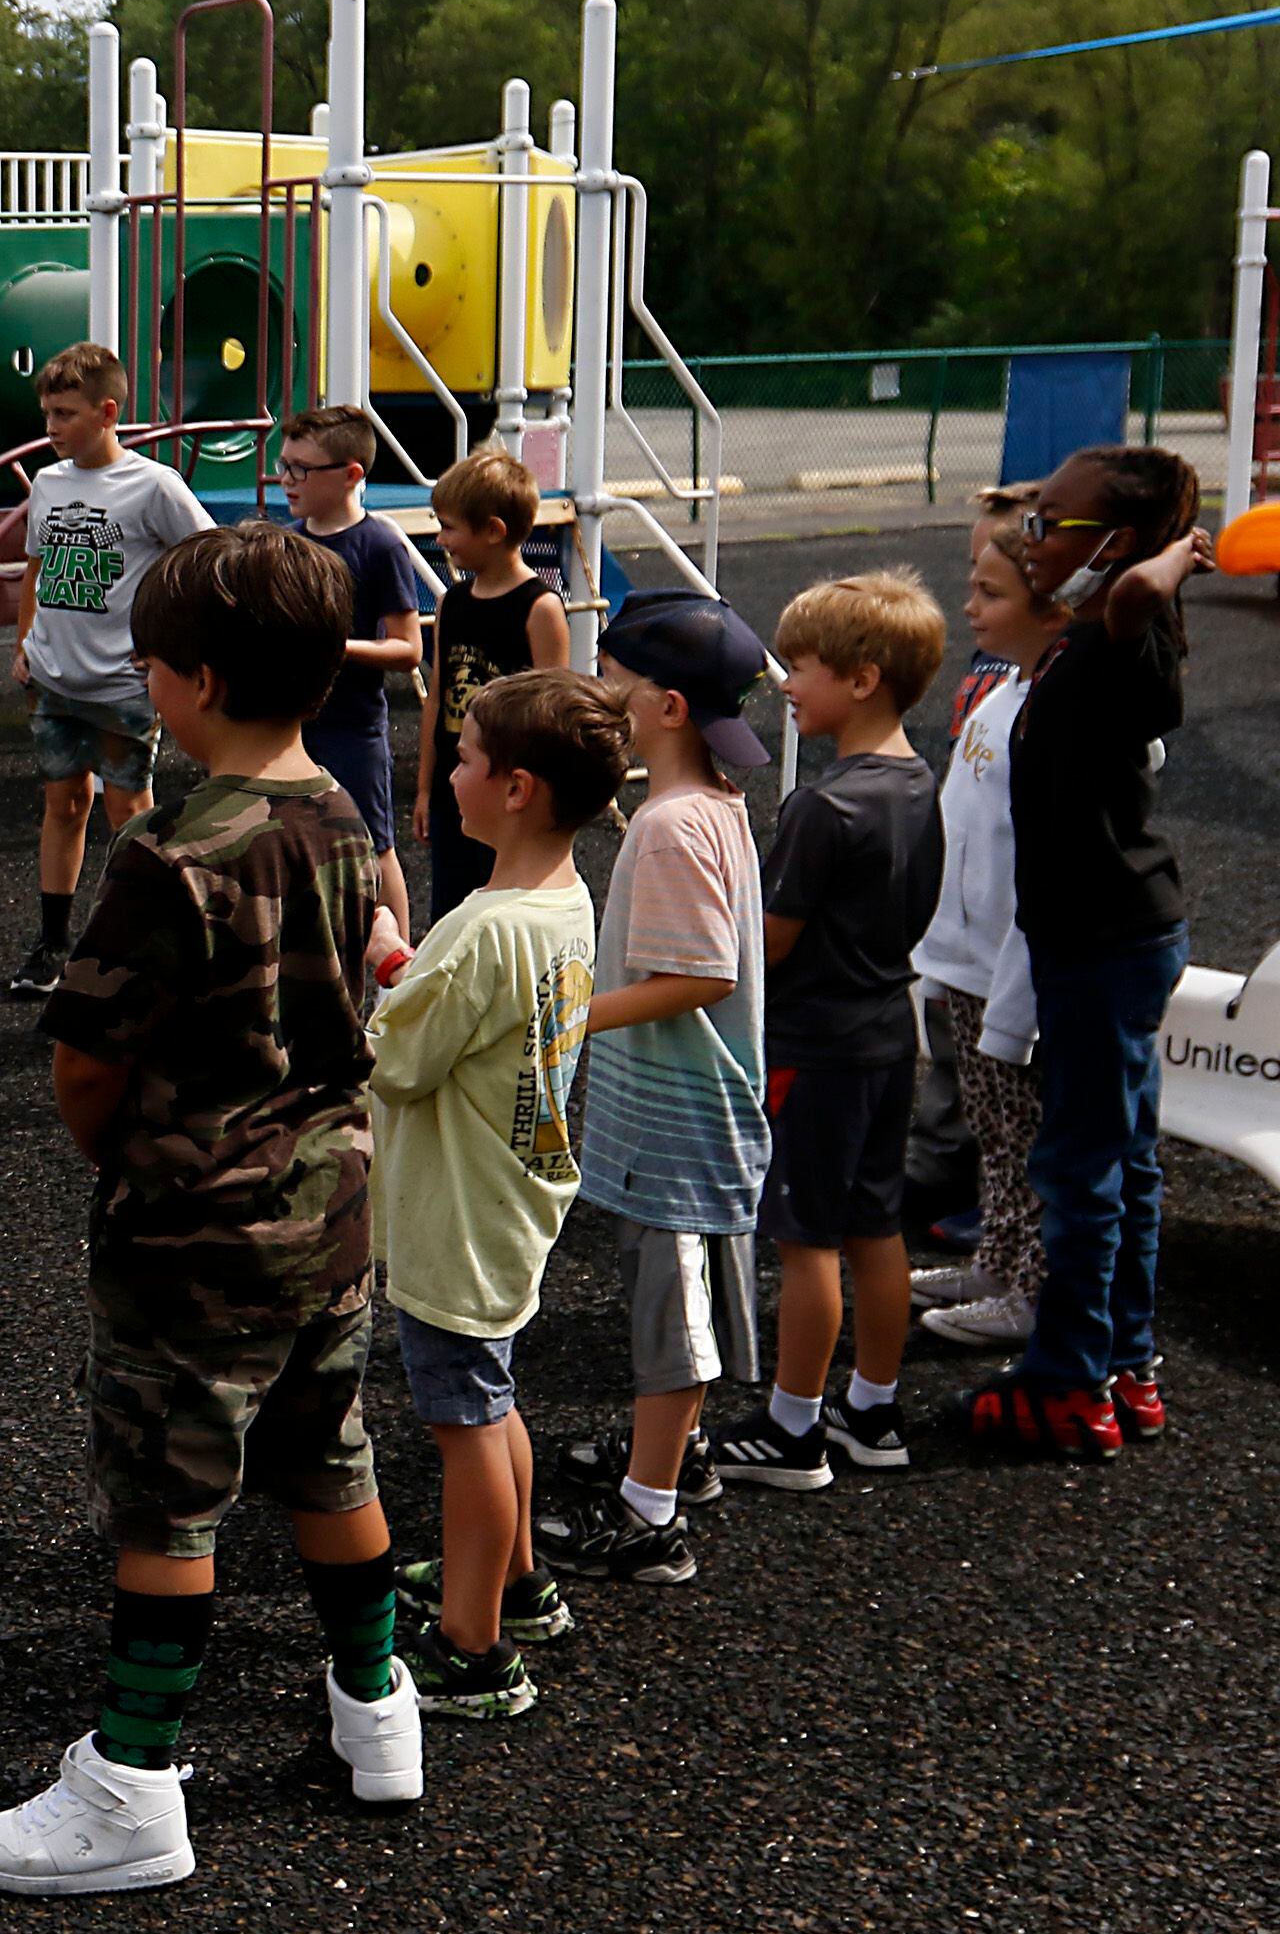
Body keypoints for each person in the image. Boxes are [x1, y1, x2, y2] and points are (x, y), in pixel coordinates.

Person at [0, 524, 420, 1899]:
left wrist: (127, 1158)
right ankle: (375, 1707)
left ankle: (137, 1781)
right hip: (330, 1208)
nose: (143, 682)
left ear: (198, 679)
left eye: (152, 665)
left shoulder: (170, 848)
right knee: (330, 1452)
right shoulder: (345, 814)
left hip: (196, 1224)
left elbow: (90, 1061)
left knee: (171, 1496)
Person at [364, 671, 614, 1714]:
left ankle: (473, 1647)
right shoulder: (560, 899)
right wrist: (410, 967)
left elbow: (397, 1058)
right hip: (515, 1200)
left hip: (456, 1218)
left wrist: (380, 950)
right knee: (494, 1396)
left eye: (462, 754)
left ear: (514, 788)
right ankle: (517, 1578)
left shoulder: (481, 928)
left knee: (463, 1422)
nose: (448, 768)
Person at [968, 445, 1215, 1459]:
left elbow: (1131, 600)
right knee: (1123, 1158)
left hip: (1104, 945)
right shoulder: (1087, 644)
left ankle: (1069, 1379)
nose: (1031, 541)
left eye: (1050, 524)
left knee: (1083, 1167)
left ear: (1116, 548)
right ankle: (1126, 1361)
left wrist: (1174, 553)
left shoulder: (1125, 639)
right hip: (1109, 937)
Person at [540, 593, 771, 1587]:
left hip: (678, 1128)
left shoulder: (674, 825)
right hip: (687, 1116)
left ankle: (650, 1516)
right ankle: (672, 1454)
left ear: (668, 708)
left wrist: (569, 1015)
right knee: (680, 1311)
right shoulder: (709, 804)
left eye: (615, 679)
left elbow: (702, 975)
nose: (601, 694)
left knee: (669, 1322)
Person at [711, 572, 947, 1492]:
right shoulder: (919, 777)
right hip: (890, 1030)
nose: (784, 681)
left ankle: (791, 1427)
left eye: (800, 665)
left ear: (862, 677)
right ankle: (872, 1411)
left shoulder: (823, 803)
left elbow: (769, 943)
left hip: (815, 1043)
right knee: (875, 1224)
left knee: (805, 1236)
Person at [4, 343, 211, 997]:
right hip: (55, 679)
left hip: (122, 685)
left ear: (107, 412)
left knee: (128, 809)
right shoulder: (50, 483)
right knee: (62, 805)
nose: (51, 428)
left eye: (64, 414)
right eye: (47, 414)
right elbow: (36, 566)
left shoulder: (153, 486)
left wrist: (168, 646)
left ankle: (140, 937)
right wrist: (24, 642)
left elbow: (204, 556)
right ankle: (51, 942)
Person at [909, 516, 1061, 1353]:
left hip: (1009, 973)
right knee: (992, 1130)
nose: (968, 603)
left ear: (1055, 608)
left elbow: (1031, 869)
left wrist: (1014, 1002)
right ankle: (998, 1260)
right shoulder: (1003, 690)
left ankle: (1029, 1286)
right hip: (967, 964)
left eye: (990, 591)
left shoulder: (1044, 714)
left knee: (1021, 1133)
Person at [277, 406, 426, 934]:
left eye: (301, 469)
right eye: (284, 463)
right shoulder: (288, 540)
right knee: (293, 842)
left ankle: (398, 976)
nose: (285, 478)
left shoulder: (378, 544)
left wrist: (336, 648)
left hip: (352, 726)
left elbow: (408, 649)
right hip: (289, 725)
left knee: (373, 845)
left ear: (350, 474)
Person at [414, 449, 569, 928]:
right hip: (454, 793)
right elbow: (437, 699)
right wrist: (424, 790)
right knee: (451, 918)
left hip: (511, 800)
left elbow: (553, 717)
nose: (440, 539)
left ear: (494, 531)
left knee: (505, 915)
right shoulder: (453, 603)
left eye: (450, 528)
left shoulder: (539, 608)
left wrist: (547, 807)